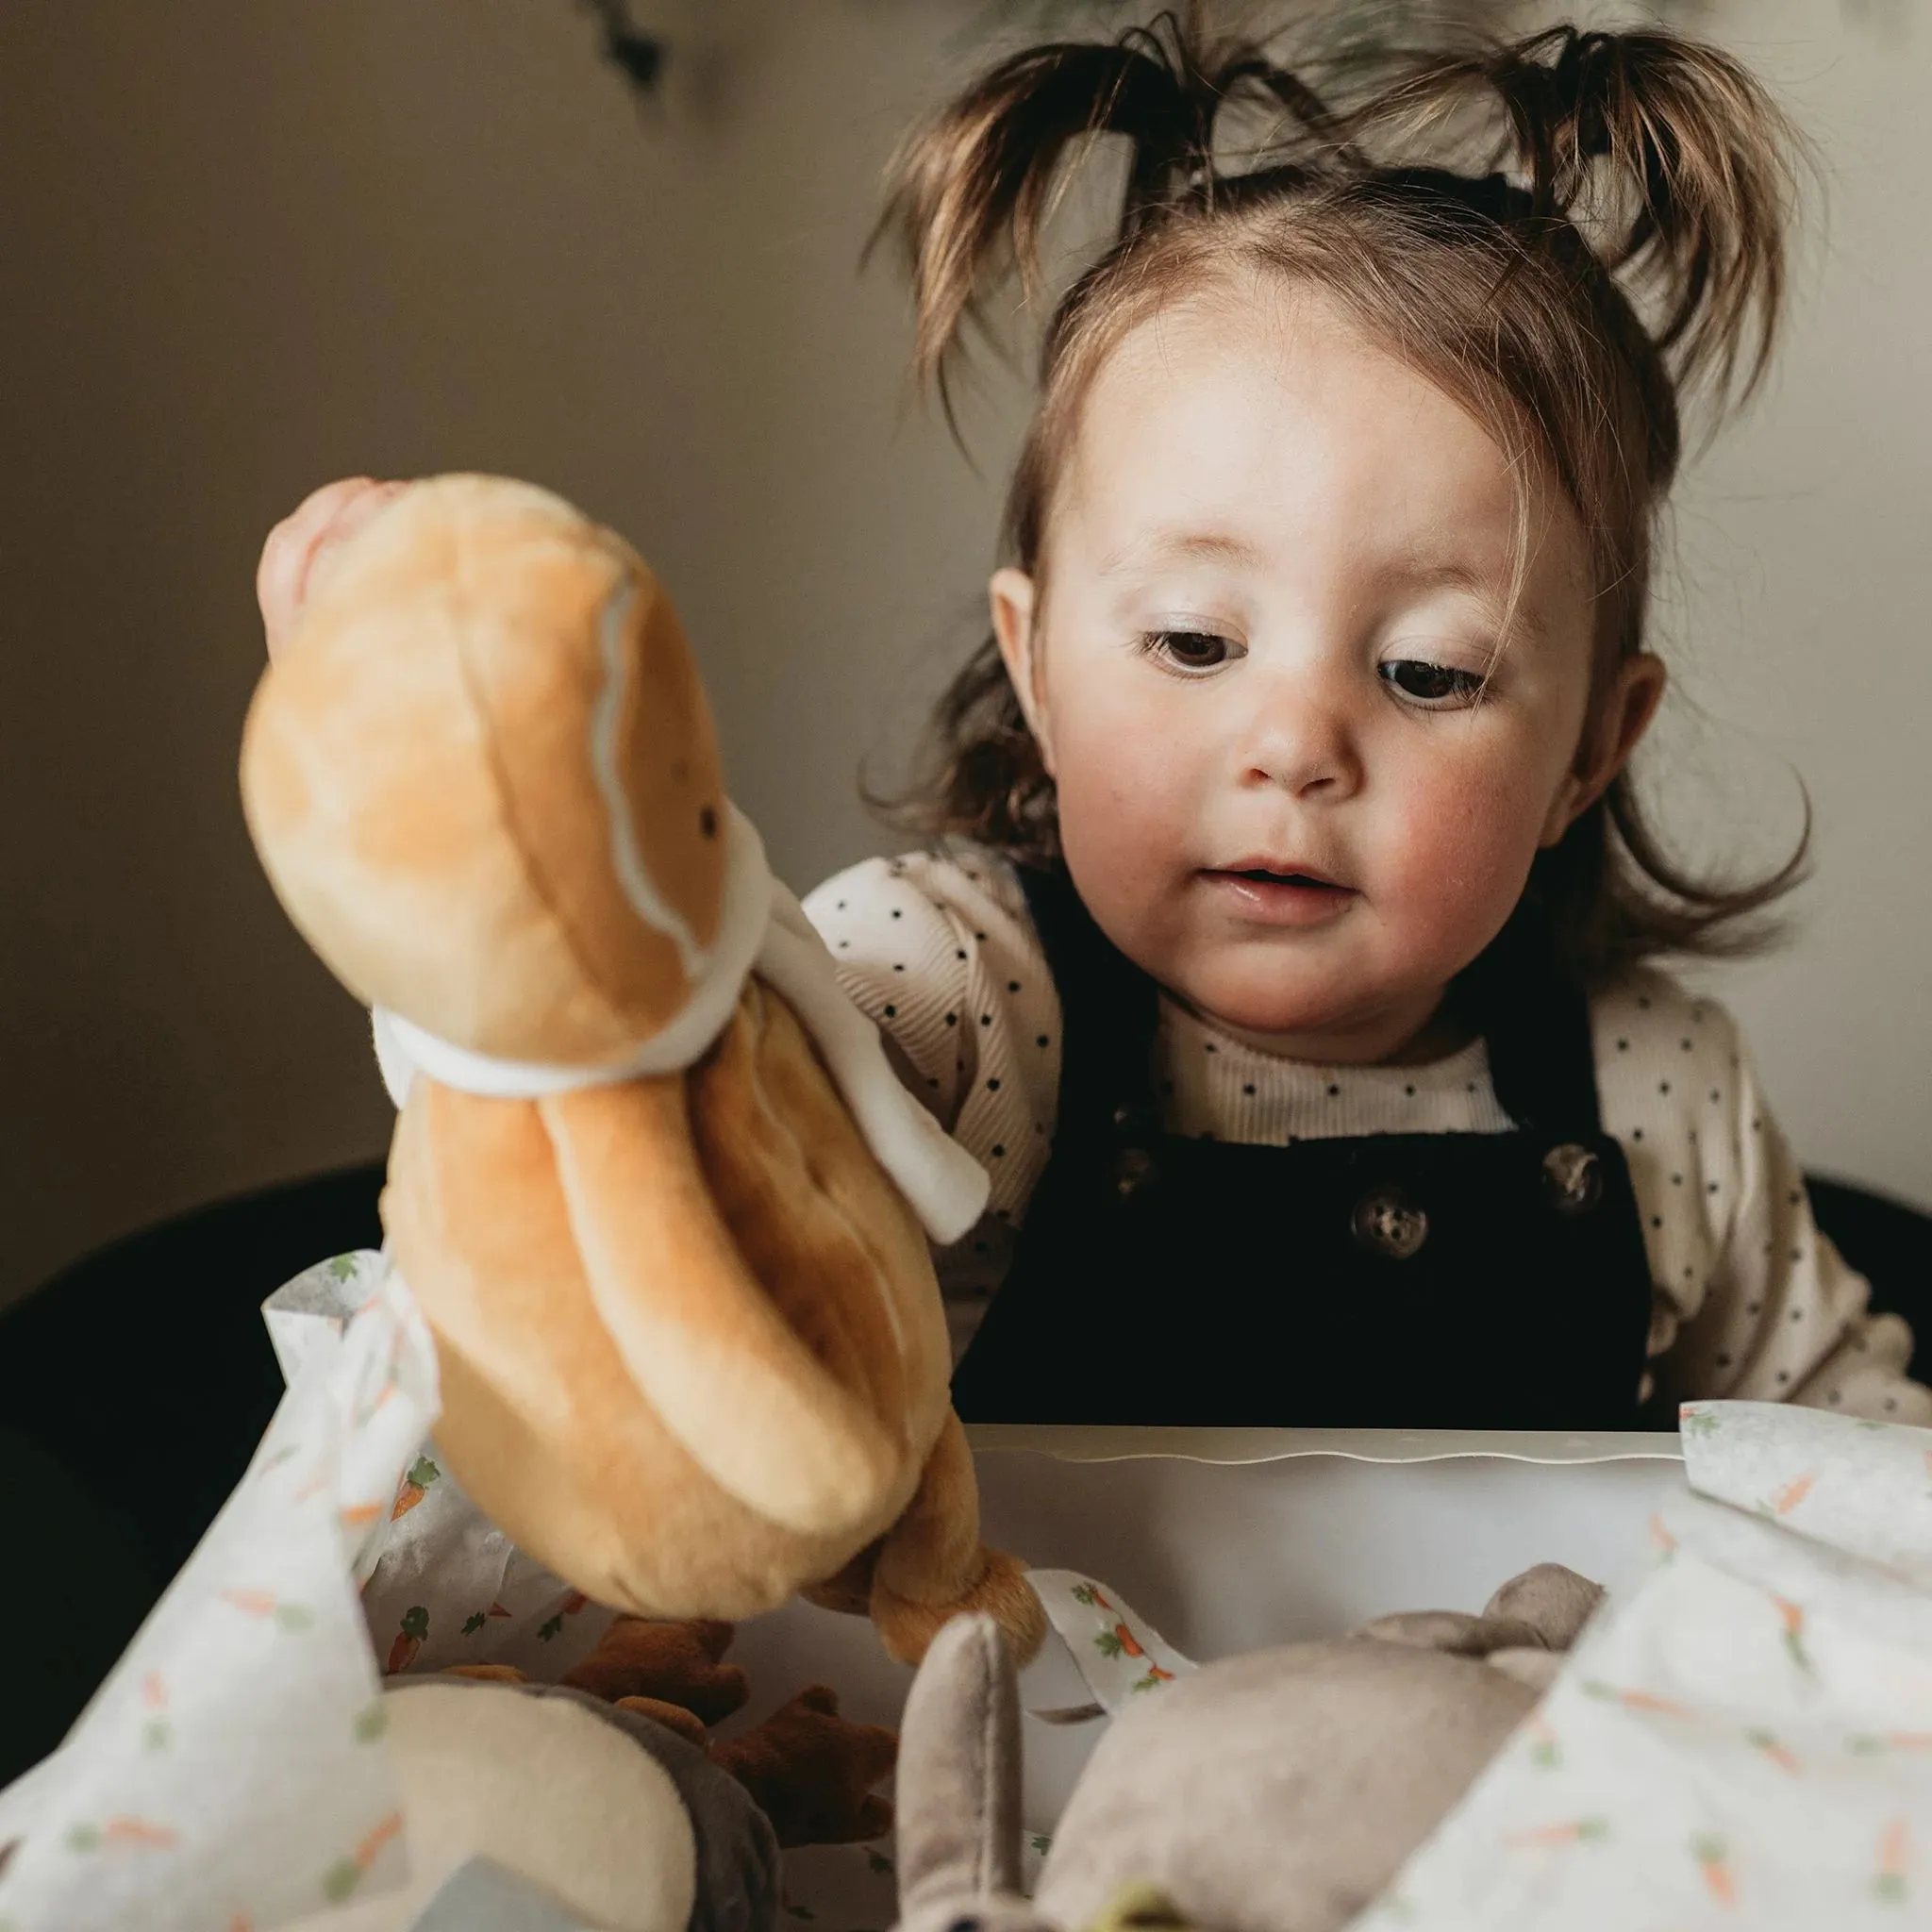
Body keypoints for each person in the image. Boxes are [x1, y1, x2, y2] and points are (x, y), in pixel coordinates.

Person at [257, 21, 1930, 1432]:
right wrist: (472, 775)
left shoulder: (1661, 1091)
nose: (1295, 746)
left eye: (1426, 673)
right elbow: (698, 1104)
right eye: (1197, 640)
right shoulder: (968, 993)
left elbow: (1858, 1490)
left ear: (1590, 750)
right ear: (1040, 664)